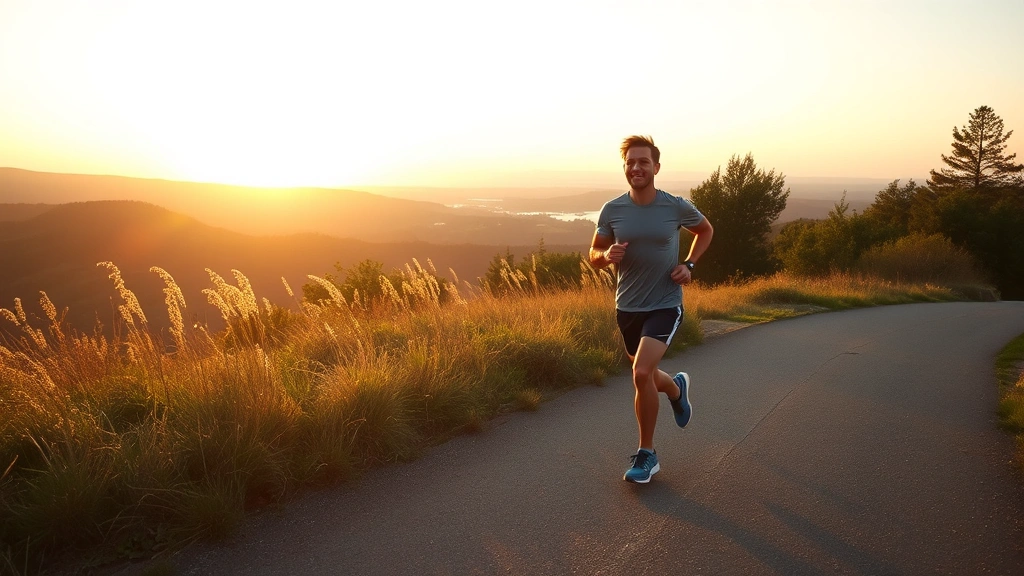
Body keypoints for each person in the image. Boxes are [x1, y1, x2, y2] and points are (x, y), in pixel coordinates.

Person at [588, 135, 714, 483]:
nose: (636, 167)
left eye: (643, 162)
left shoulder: (674, 206)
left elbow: (705, 231)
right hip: (627, 307)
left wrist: (690, 264)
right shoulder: (612, 210)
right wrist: (604, 256)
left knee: (641, 373)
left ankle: (648, 455)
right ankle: (675, 388)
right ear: (624, 168)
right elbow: (594, 254)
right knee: (647, 374)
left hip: (665, 303)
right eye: (630, 162)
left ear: (656, 167)